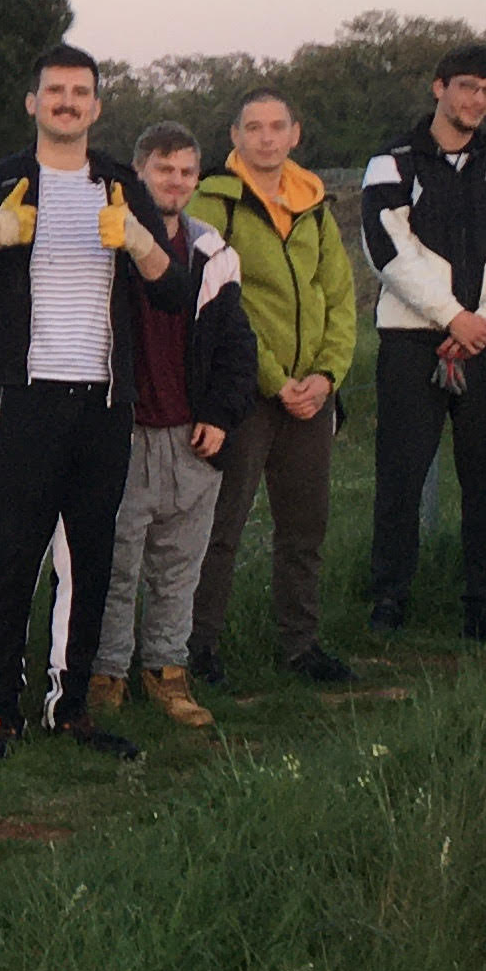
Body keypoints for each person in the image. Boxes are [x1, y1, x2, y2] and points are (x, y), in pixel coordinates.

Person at [0, 44, 195, 762]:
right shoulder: (3, 181)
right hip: (19, 397)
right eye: (55, 91)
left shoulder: (120, 184)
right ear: (33, 104)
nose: (68, 102)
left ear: (97, 108)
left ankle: (70, 709)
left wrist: (139, 242)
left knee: (89, 559)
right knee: (10, 556)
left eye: (81, 92)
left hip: (102, 403)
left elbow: (173, 293)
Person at [358, 43, 486, 644]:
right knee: (400, 475)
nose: (478, 101)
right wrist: (450, 317)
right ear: (438, 87)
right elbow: (389, 253)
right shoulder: (391, 164)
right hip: (414, 338)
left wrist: (483, 321)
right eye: (467, 87)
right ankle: (389, 600)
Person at [187, 87, 362, 687]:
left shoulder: (315, 206)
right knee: (221, 528)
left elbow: (338, 296)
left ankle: (301, 644)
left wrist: (326, 377)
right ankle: (198, 647)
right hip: (245, 395)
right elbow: (219, 304)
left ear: (296, 134)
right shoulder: (214, 204)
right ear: (233, 137)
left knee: (305, 528)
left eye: (277, 126)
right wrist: (272, 379)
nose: (266, 138)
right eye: (253, 127)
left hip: (312, 396)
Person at [88, 124, 254, 728]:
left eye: (187, 171)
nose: (177, 181)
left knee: (179, 565)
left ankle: (167, 671)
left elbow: (238, 346)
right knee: (112, 562)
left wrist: (220, 413)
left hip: (191, 435)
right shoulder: (109, 241)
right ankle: (102, 674)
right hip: (122, 430)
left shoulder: (213, 253)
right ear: (138, 173)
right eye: (165, 170)